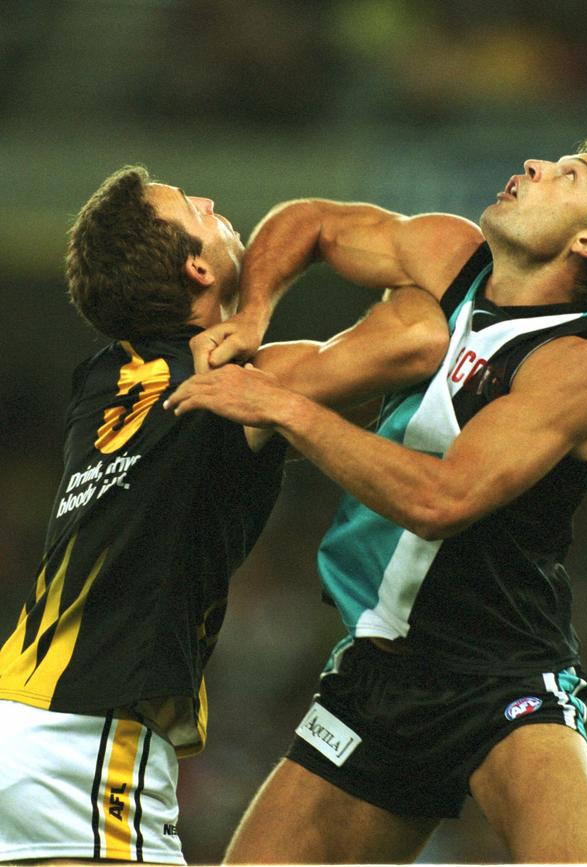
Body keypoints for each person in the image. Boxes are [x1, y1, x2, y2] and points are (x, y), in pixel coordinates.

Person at [166, 135, 587, 864]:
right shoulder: (453, 256)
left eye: (568, 175)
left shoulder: (580, 365)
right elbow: (314, 224)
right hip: (380, 670)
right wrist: (255, 310)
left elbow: (440, 498)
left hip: (504, 675)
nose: (535, 166)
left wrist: (284, 407)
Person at [0, 166, 448, 864]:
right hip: (90, 739)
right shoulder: (235, 388)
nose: (210, 200)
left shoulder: (103, 380)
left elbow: (345, 409)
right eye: (192, 207)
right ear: (197, 266)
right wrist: (265, 310)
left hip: (24, 713)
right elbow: (423, 334)